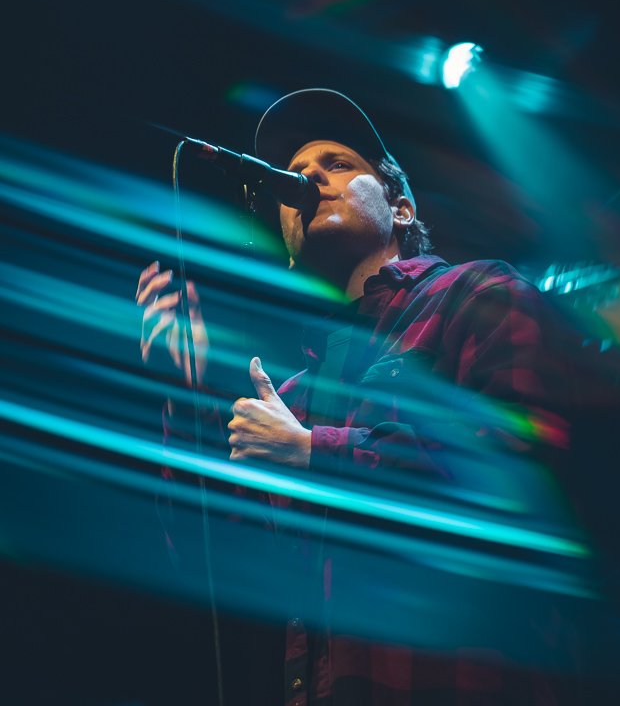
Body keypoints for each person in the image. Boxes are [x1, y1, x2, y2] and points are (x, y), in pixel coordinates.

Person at [136, 89, 578, 706]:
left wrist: (318, 451)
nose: (308, 177)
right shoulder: (293, 396)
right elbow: (210, 556)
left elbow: (512, 472)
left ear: (399, 209)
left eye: (336, 164)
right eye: (294, 176)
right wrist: (184, 392)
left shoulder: (478, 293)